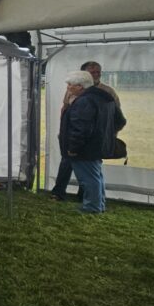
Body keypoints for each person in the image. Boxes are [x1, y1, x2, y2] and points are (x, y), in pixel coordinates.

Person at [52, 60, 122, 201]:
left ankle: (89, 200)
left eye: (98, 72)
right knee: (69, 164)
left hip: (89, 140)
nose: (96, 75)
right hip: (75, 136)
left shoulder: (106, 92)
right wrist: (64, 131)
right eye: (92, 72)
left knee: (89, 172)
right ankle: (59, 192)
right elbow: (65, 108)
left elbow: (117, 118)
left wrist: (108, 135)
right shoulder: (73, 90)